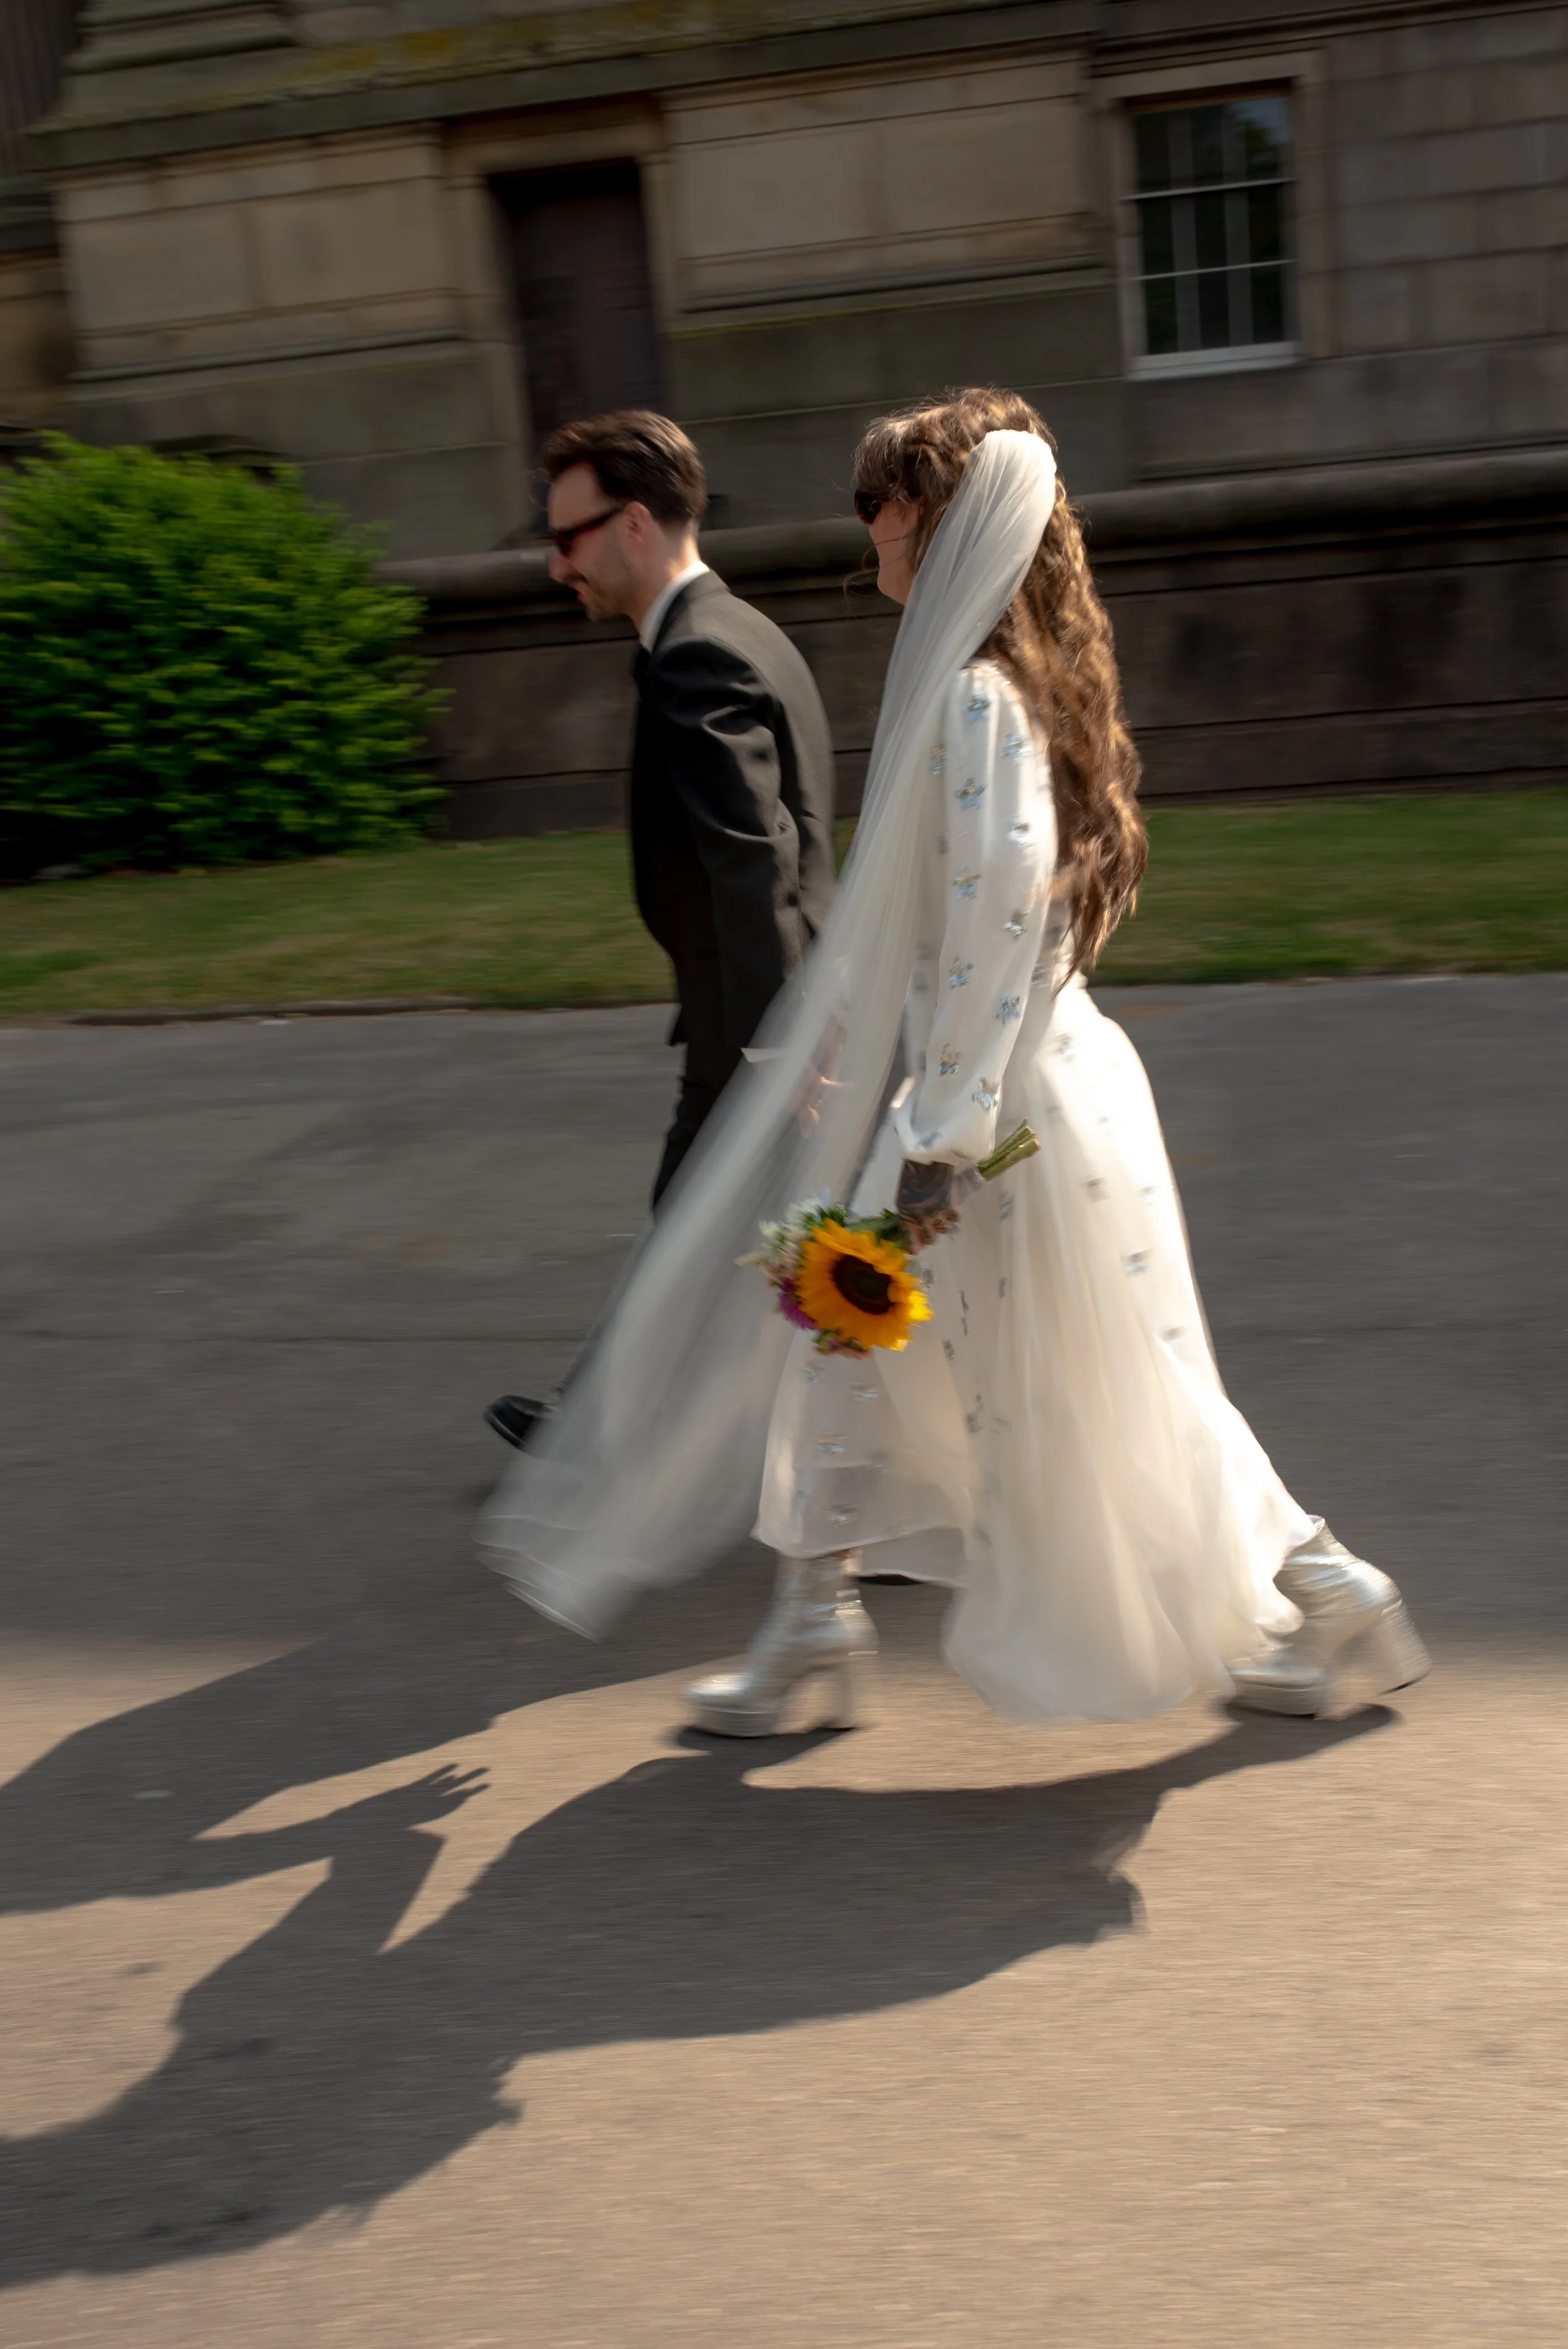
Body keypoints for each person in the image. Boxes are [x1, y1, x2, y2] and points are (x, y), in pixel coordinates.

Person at [479, 389, 1429, 1730]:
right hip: (999, 1097)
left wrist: (940, 1139)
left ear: (942, 521)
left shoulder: (979, 694)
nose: (864, 524)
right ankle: (814, 1629)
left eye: (881, 501)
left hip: (988, 1120)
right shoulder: (1009, 681)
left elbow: (996, 910)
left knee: (1097, 1392)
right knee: (848, 1349)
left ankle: (1328, 1593)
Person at [485, 410, 837, 1452]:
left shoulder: (698, 658)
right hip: (754, 1009)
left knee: (790, 1246)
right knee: (699, 1222)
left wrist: (778, 1041)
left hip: (760, 1020)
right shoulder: (746, 628)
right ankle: (598, 1417)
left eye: (567, 539)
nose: (557, 567)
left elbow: (753, 855)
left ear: (633, 523)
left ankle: (891, 1477)